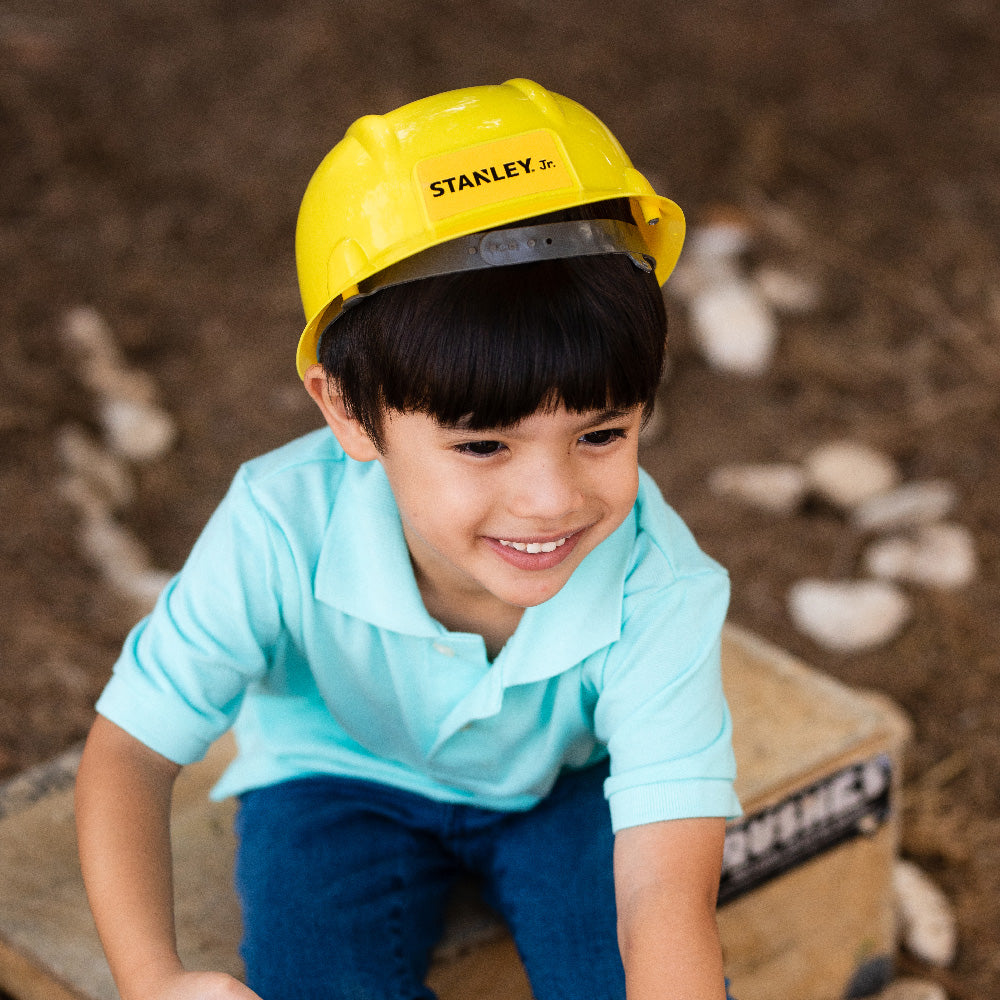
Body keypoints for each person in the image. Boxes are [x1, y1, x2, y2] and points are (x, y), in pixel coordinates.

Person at [75, 78, 741, 1000]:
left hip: (563, 789)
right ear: (348, 409)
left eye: (602, 432)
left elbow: (667, 892)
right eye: (481, 444)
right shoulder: (278, 527)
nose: (549, 500)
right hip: (335, 781)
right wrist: (151, 979)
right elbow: (128, 755)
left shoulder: (660, 588)